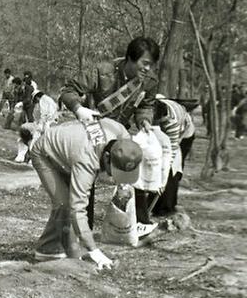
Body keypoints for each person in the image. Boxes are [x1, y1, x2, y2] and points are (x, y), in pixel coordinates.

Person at [60, 36, 160, 226]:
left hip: (119, 132)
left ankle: (137, 223)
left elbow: (146, 106)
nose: (148, 69)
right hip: (94, 130)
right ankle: (82, 226)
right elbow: (68, 90)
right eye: (145, 63)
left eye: (152, 65)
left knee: (134, 163)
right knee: (85, 179)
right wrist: (79, 109)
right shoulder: (103, 71)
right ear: (130, 58)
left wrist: (145, 121)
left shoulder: (149, 81)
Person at [29, 118, 143, 268]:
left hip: (71, 147)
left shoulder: (121, 133)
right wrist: (94, 250)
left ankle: (49, 247)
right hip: (45, 152)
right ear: (107, 157)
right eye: (113, 171)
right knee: (64, 203)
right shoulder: (86, 161)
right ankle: (51, 252)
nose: (112, 177)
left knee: (66, 202)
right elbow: (78, 208)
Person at [151, 96, 195, 216]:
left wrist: (164, 175)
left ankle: (166, 207)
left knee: (172, 171)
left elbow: (171, 152)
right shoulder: (152, 106)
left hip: (184, 135)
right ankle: (153, 201)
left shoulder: (172, 121)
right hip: (162, 135)